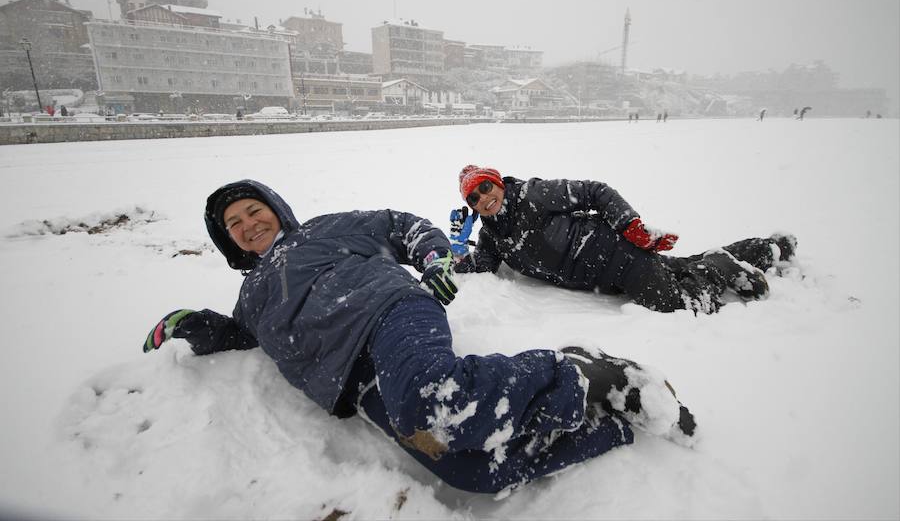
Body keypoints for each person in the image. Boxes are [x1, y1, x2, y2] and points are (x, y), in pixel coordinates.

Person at [143, 179, 697, 494]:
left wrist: (431, 256)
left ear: (276, 210)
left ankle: (588, 372)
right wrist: (197, 327)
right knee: (473, 471)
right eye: (234, 225)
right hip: (349, 383)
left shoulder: (326, 230)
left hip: (388, 315)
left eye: (252, 210)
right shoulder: (252, 297)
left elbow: (400, 224)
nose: (247, 224)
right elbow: (249, 338)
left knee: (432, 405)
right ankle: (610, 425)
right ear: (230, 242)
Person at [452, 166, 797, 315]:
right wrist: (455, 249)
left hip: (619, 255)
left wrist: (629, 224)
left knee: (676, 306)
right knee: (683, 266)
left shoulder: (533, 194)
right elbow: (482, 267)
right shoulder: (491, 237)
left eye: (485, 186)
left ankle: (721, 266)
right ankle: (767, 248)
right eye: (473, 198)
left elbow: (593, 191)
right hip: (607, 279)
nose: (483, 197)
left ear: (497, 182)